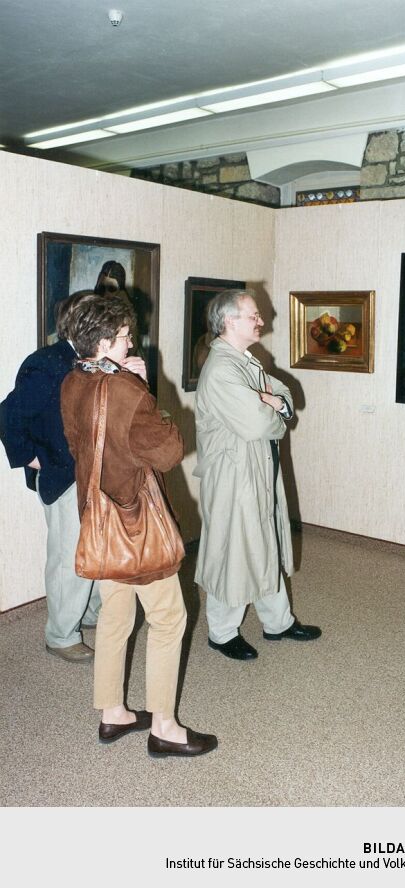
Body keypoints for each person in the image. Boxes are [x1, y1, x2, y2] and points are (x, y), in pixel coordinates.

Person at [61, 294, 217, 756]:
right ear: (106, 342)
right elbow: (169, 451)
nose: (132, 341)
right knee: (170, 619)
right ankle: (164, 728)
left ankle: (113, 713)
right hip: (136, 525)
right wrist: (148, 392)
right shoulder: (127, 390)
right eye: (126, 336)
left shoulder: (72, 382)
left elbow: (79, 445)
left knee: (115, 613)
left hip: (100, 519)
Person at [194, 289, 321, 660]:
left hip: (255, 467)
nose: (261, 321)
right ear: (230, 321)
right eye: (253, 315)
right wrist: (271, 409)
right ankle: (221, 632)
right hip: (233, 473)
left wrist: (273, 402)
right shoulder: (221, 368)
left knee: (265, 542)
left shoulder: (243, 360)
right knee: (232, 549)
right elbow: (254, 424)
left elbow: (282, 395)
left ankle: (277, 621)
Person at [0, 290, 102, 662]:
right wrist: (31, 458)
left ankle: (87, 615)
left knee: (91, 550)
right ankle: (60, 635)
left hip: (93, 472)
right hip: (62, 476)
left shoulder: (94, 359)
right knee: (67, 557)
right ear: (84, 323)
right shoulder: (47, 363)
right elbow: (9, 415)